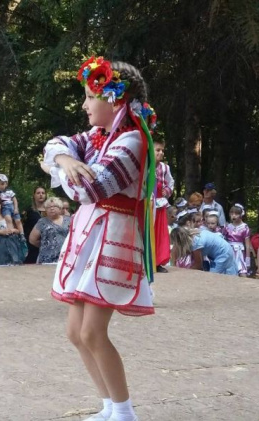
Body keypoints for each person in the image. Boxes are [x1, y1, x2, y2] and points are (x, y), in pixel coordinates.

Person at [40, 57, 156, 421]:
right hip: (89, 234)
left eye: (91, 96)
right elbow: (54, 144)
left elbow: (93, 187)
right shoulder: (97, 136)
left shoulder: (134, 140)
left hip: (111, 236)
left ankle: (124, 411)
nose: (84, 105)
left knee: (92, 331)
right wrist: (64, 158)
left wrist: (65, 167)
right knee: (75, 331)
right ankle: (108, 406)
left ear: (116, 99)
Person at [29, 197, 71, 264]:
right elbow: (32, 239)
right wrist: (45, 245)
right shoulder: (42, 222)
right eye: (48, 207)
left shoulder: (69, 220)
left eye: (54, 206)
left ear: (60, 208)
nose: (51, 208)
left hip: (66, 257)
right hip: (46, 259)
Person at [154, 140, 174, 273]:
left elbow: (170, 183)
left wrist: (166, 191)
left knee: (160, 232)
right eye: (158, 150)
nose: (161, 153)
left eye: (162, 150)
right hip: (146, 203)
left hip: (159, 203)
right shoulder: (144, 165)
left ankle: (157, 261)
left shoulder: (165, 168)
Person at [223, 204, 252, 276]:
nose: (233, 216)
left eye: (236, 214)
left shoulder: (244, 227)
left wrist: (247, 260)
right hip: (229, 250)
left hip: (239, 252)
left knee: (242, 272)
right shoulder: (227, 227)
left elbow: (248, 246)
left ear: (241, 215)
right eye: (232, 213)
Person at [23, 186, 47, 264]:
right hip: (31, 245)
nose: (41, 195)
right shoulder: (28, 210)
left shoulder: (50, 210)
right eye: (38, 193)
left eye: (43, 193)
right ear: (34, 195)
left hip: (47, 243)